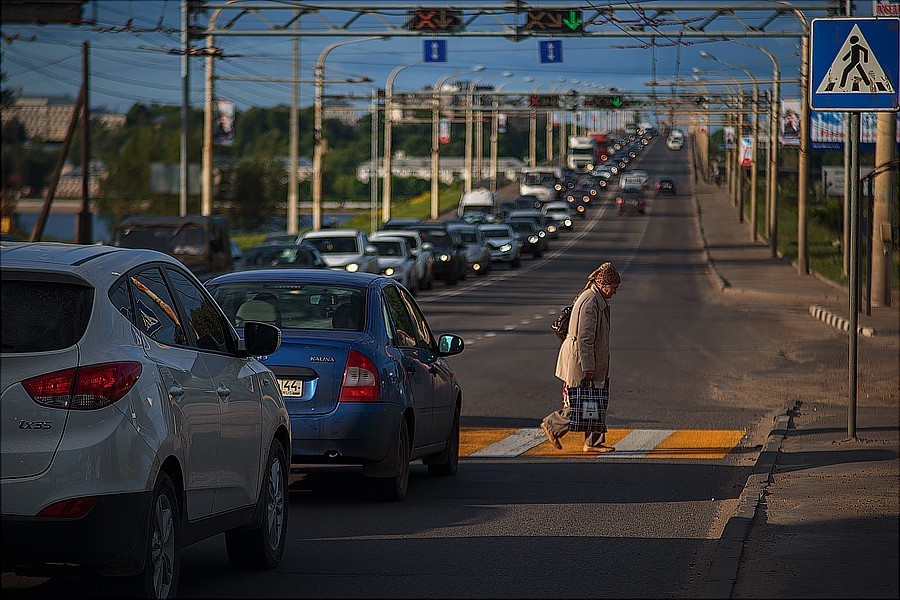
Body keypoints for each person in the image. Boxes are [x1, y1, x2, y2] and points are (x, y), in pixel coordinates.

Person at [541, 262, 621, 453]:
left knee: (595, 399)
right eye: (614, 288)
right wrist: (588, 367)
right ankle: (552, 424)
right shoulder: (590, 302)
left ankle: (593, 442)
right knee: (583, 401)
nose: (615, 292)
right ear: (603, 285)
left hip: (589, 359)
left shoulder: (596, 299)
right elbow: (584, 338)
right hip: (581, 360)